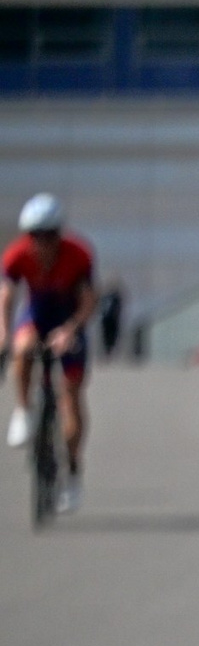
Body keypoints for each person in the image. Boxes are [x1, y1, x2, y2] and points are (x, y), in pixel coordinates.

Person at [5, 194, 99, 513]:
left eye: (48, 236)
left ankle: (72, 470)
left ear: (59, 235)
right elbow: (6, 297)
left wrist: (70, 330)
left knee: (70, 396)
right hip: (37, 313)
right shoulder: (17, 255)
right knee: (23, 348)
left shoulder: (78, 254)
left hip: (68, 317)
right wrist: (3, 336)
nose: (41, 244)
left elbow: (89, 301)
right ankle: (23, 409)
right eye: (34, 236)